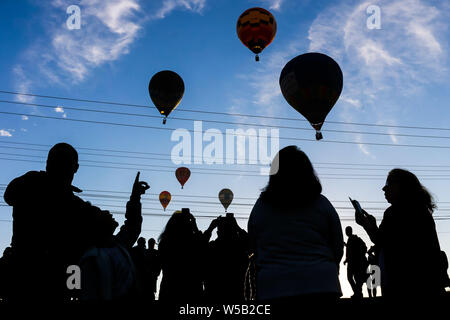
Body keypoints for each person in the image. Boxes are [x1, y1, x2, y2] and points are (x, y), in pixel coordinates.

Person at [3, 143, 114, 301]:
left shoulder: (32, 185)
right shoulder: (74, 205)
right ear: (75, 168)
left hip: (28, 282)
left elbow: (9, 195)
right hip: (37, 282)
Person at [248, 146, 344, 304]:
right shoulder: (322, 203)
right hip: (322, 283)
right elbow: (337, 245)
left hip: (274, 287)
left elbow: (253, 245)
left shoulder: (260, 207)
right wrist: (330, 268)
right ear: (308, 172)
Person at [355, 168, 444, 299]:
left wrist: (367, 225)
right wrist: (371, 226)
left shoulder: (396, 212)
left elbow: (384, 241)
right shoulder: (420, 209)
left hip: (403, 285)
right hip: (425, 283)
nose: (384, 189)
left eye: (388, 183)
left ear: (402, 186)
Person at [79, 172, 149, 301]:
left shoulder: (116, 245)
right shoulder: (91, 258)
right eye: (100, 212)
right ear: (94, 224)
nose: (106, 211)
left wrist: (135, 197)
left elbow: (133, 225)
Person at [158, 209, 216, 302]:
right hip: (192, 289)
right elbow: (202, 245)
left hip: (169, 289)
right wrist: (200, 228)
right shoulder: (192, 242)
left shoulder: (165, 242)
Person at [204, 214, 249, 302]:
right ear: (235, 231)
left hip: (214, 295)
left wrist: (210, 229)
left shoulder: (212, 247)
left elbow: (199, 247)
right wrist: (238, 227)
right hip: (236, 295)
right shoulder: (240, 248)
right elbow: (252, 243)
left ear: (218, 233)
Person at [343, 226, 368, 299]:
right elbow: (351, 250)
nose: (346, 232)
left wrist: (348, 259)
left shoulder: (353, 239)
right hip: (355, 262)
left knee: (351, 277)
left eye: (347, 231)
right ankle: (358, 293)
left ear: (349, 231)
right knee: (356, 278)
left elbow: (352, 251)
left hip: (353, 263)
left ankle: (358, 293)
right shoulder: (353, 239)